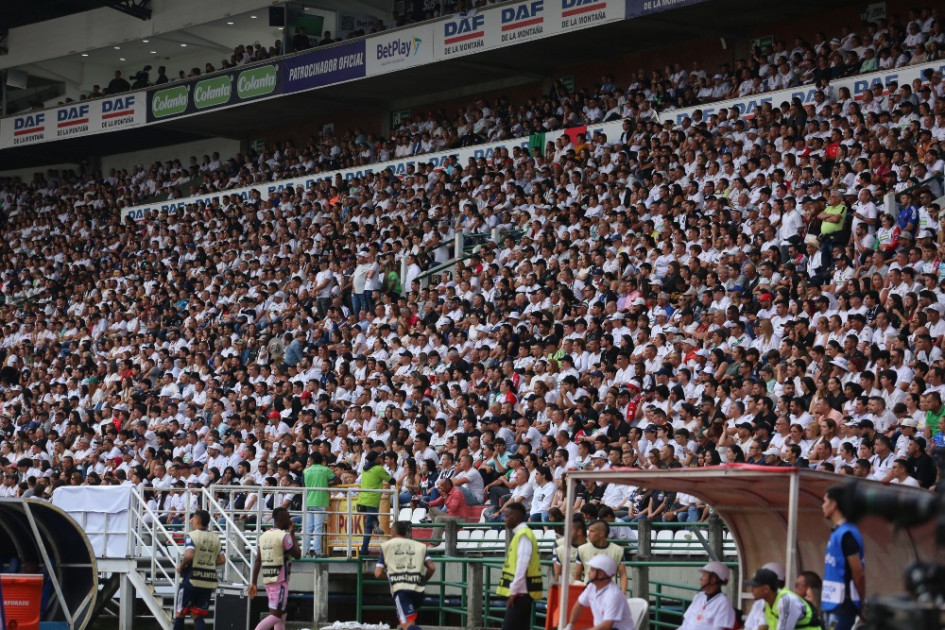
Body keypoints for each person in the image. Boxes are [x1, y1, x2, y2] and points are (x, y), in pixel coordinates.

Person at [375, 520, 436, 630]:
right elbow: (432, 568)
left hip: (401, 590)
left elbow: (378, 573)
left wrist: (389, 575)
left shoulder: (386, 546)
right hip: (418, 590)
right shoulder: (421, 546)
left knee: (407, 625)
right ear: (407, 534)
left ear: (392, 533)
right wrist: (424, 579)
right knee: (409, 621)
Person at [249, 507, 301, 630]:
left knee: (282, 614)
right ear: (281, 519)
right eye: (288, 517)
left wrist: (254, 582)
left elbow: (258, 560)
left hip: (268, 579)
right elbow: (297, 554)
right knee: (277, 615)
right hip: (280, 581)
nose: (290, 520)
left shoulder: (264, 536)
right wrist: (292, 534)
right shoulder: (284, 536)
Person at [821, 487, 865, 630]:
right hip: (830, 603)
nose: (822, 505)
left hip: (842, 604)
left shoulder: (847, 534)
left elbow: (858, 573)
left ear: (834, 505)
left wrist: (861, 603)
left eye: (825, 501)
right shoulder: (836, 532)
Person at [174, 509, 224, 630]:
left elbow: (189, 555)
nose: (191, 521)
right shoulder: (215, 538)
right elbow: (222, 559)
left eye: (193, 518)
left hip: (191, 578)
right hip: (208, 580)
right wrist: (209, 562)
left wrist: (181, 566)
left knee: (180, 612)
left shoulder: (192, 536)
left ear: (198, 521)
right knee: (197, 614)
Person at [496, 502, 542, 630]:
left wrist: (514, 591)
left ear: (515, 516)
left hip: (521, 593)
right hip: (523, 592)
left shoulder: (523, 535)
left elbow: (522, 564)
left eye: (507, 516)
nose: (504, 519)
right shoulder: (522, 534)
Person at [564, 554, 636, 630]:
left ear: (601, 574)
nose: (589, 572)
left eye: (592, 569)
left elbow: (606, 626)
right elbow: (579, 604)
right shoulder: (592, 586)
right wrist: (570, 625)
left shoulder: (613, 595)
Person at [746, 567, 822, 630]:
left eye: (755, 586)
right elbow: (762, 627)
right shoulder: (767, 603)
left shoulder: (787, 601)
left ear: (766, 589)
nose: (752, 589)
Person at [678, 561, 736, 630]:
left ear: (713, 579)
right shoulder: (699, 597)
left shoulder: (723, 603)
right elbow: (685, 625)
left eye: (704, 575)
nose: (701, 578)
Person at [574, 520, 629, 593]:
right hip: (588, 593)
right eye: (588, 531)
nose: (588, 534)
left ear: (601, 533)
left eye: (592, 531)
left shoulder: (618, 550)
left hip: (610, 593)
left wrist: (623, 593)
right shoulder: (582, 549)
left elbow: (623, 575)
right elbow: (577, 575)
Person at [357, 450, 392, 556]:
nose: (380, 458)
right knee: (368, 526)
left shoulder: (364, 468)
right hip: (372, 500)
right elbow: (391, 480)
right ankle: (363, 550)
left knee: (370, 521)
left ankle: (376, 524)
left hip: (362, 499)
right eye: (379, 457)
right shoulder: (378, 469)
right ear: (376, 459)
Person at [302, 452, 336, 557]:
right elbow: (335, 478)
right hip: (320, 500)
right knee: (317, 527)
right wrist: (326, 483)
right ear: (321, 460)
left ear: (311, 460)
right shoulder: (325, 470)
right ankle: (317, 551)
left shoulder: (306, 471)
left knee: (308, 528)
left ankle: (306, 551)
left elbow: (303, 483)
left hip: (308, 500)